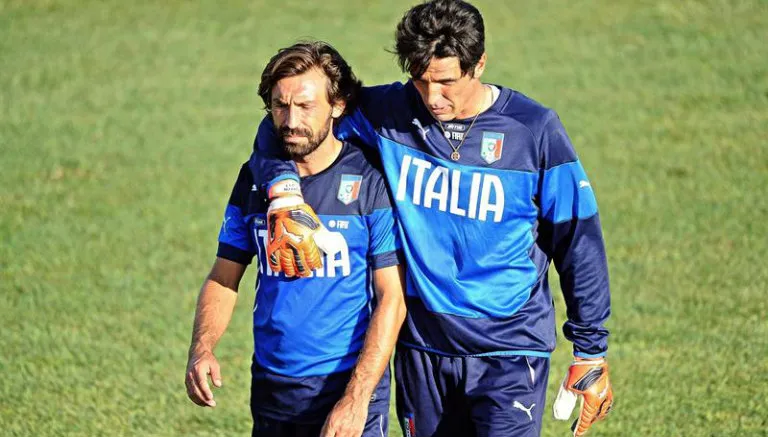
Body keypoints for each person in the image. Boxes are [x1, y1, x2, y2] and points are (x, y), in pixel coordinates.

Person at [252, 1, 614, 436]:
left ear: (478, 64)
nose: (432, 97)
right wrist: (283, 192)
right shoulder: (390, 112)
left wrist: (590, 352)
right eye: (421, 81)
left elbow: (578, 241)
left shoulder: (534, 131)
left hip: (510, 352)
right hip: (422, 349)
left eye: (446, 82)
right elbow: (291, 124)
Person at [185, 41, 406, 437]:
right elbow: (224, 276)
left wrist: (356, 399)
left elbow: (392, 296)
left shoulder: (370, 182)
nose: (290, 120)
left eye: (305, 106)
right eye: (280, 106)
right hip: (273, 387)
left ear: (337, 106)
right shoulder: (253, 180)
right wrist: (202, 348)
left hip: (345, 382)